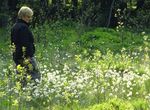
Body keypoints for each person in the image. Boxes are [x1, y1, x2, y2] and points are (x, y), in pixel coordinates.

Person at [11, 6, 40, 85]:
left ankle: (23, 96)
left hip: (17, 57)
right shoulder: (23, 27)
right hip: (26, 57)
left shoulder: (15, 27)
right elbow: (25, 44)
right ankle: (34, 95)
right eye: (28, 16)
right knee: (35, 77)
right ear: (23, 16)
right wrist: (29, 56)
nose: (30, 19)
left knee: (21, 79)